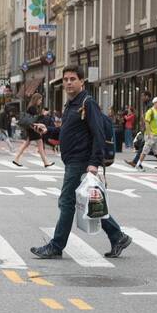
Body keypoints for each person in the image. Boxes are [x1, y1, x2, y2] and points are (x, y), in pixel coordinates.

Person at [30, 65, 131, 260]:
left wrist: (94, 163)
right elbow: (66, 132)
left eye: (72, 79)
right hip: (73, 160)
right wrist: (48, 130)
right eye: (66, 79)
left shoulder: (87, 103)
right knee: (88, 203)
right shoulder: (72, 105)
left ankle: (56, 246)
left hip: (81, 161)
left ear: (82, 81)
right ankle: (118, 236)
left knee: (67, 202)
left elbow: (98, 134)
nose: (68, 82)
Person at [13, 93, 55, 168]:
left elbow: (34, 119)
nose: (41, 101)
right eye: (40, 100)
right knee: (40, 145)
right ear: (37, 99)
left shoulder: (31, 107)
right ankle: (46, 162)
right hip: (33, 129)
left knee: (27, 144)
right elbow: (35, 119)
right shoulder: (33, 108)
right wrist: (43, 115)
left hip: (31, 128)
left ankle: (16, 158)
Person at [130, 96, 157, 171]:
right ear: (155, 103)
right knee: (145, 151)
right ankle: (138, 164)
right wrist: (149, 133)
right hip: (150, 135)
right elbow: (147, 122)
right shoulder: (150, 111)